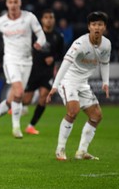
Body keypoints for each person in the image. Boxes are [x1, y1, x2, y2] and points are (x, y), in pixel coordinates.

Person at [0, 0, 46, 138]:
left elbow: (41, 35)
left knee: (12, 98)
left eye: (16, 2)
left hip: (27, 61)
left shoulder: (29, 17)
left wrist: (39, 43)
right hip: (10, 60)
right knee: (20, 92)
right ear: (7, 4)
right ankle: (16, 127)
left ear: (20, 3)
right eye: (11, 2)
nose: (13, 5)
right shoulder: (0, 22)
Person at [47, 11, 111, 161]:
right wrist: (55, 85)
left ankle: (82, 151)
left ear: (104, 27)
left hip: (83, 83)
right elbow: (65, 63)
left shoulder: (106, 44)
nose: (97, 27)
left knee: (96, 116)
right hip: (68, 80)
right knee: (73, 111)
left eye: (100, 24)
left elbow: (105, 63)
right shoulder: (80, 44)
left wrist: (106, 82)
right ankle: (60, 150)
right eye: (94, 24)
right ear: (89, 26)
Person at [22, 9, 65, 135]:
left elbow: (61, 55)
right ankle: (13, 105)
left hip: (47, 72)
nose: (48, 19)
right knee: (26, 100)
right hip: (33, 71)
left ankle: (31, 126)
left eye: (51, 17)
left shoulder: (58, 36)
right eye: (46, 17)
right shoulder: (34, 35)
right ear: (42, 20)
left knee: (44, 97)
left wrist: (53, 58)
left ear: (54, 19)